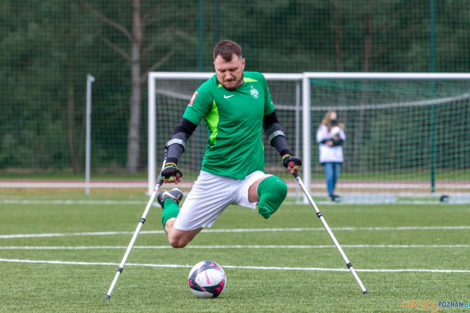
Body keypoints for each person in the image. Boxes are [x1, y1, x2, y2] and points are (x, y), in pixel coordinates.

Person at [157, 40, 302, 248]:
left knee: (277, 187)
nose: (227, 75)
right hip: (215, 178)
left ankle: (263, 203)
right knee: (176, 241)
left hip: (250, 176)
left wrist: (286, 154)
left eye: (233, 69)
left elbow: (271, 122)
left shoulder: (258, 82)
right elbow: (183, 130)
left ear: (243, 63)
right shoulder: (207, 91)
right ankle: (170, 201)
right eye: (221, 70)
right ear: (214, 67)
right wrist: (171, 161)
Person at [316, 111, 346, 202]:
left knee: (335, 176)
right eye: (332, 116)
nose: (334, 118)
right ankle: (330, 194)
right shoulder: (323, 128)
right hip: (327, 156)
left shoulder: (338, 128)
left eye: (335, 116)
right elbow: (320, 139)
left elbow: (342, 139)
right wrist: (329, 141)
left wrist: (334, 142)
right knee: (329, 176)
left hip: (336, 156)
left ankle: (332, 192)